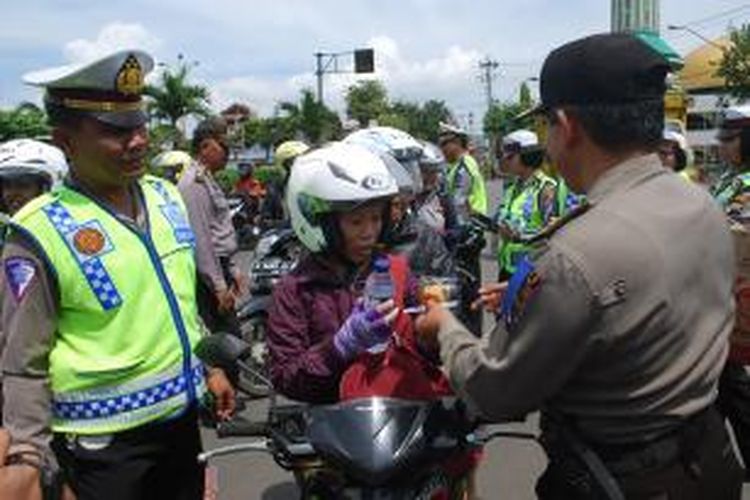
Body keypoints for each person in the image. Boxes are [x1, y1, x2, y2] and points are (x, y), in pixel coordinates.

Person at [416, 33, 742, 499]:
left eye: (546, 126)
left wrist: (446, 328)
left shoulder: (577, 254)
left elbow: (495, 392)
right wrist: (531, 300)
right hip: (708, 457)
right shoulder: (701, 204)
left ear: (566, 126)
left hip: (621, 479)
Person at [0, 49, 235, 500]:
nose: (137, 141)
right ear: (65, 141)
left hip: (181, 429)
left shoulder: (166, 197)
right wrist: (32, 463)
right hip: (101, 453)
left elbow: (178, 300)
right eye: (116, 131)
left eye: (140, 125)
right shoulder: (37, 231)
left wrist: (208, 367)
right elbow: (23, 363)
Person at [179, 116, 245, 335]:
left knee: (230, 342)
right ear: (205, 146)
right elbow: (201, 240)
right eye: (223, 145)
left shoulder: (207, 180)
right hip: (209, 279)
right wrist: (218, 287)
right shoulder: (193, 184)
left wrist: (232, 268)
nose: (227, 152)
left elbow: (218, 229)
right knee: (226, 347)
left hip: (219, 268)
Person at [438, 125, 487, 336]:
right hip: (464, 233)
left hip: (467, 235)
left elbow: (458, 203)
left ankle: (472, 339)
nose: (442, 149)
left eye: (445, 144)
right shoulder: (456, 166)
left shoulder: (464, 166)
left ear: (457, 143)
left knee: (468, 291)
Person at [494, 130, 557, 281]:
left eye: (510, 157)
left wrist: (519, 236)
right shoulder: (512, 188)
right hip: (506, 269)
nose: (506, 161)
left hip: (531, 274)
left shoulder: (546, 189)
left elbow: (553, 234)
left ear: (527, 157)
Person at [712, 104, 750, 215]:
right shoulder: (729, 176)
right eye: (721, 139)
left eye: (728, 139)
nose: (721, 146)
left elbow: (738, 227)